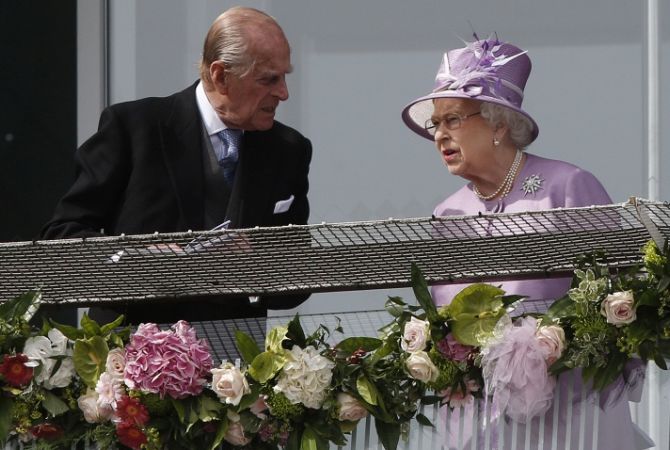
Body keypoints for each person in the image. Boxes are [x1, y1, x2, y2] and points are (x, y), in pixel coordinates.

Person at [401, 35, 651, 449]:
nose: (439, 135)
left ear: (499, 124)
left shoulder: (567, 186)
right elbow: (447, 323)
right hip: (485, 419)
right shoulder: (447, 213)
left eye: (453, 120)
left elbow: (621, 296)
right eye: (436, 123)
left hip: (574, 411)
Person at [40, 7, 312, 327]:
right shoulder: (133, 129)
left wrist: (251, 266)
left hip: (237, 354)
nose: (283, 93)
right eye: (269, 79)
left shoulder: (288, 149)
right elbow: (60, 239)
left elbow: (299, 275)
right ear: (220, 76)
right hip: (134, 349)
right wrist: (136, 260)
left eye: (284, 76)